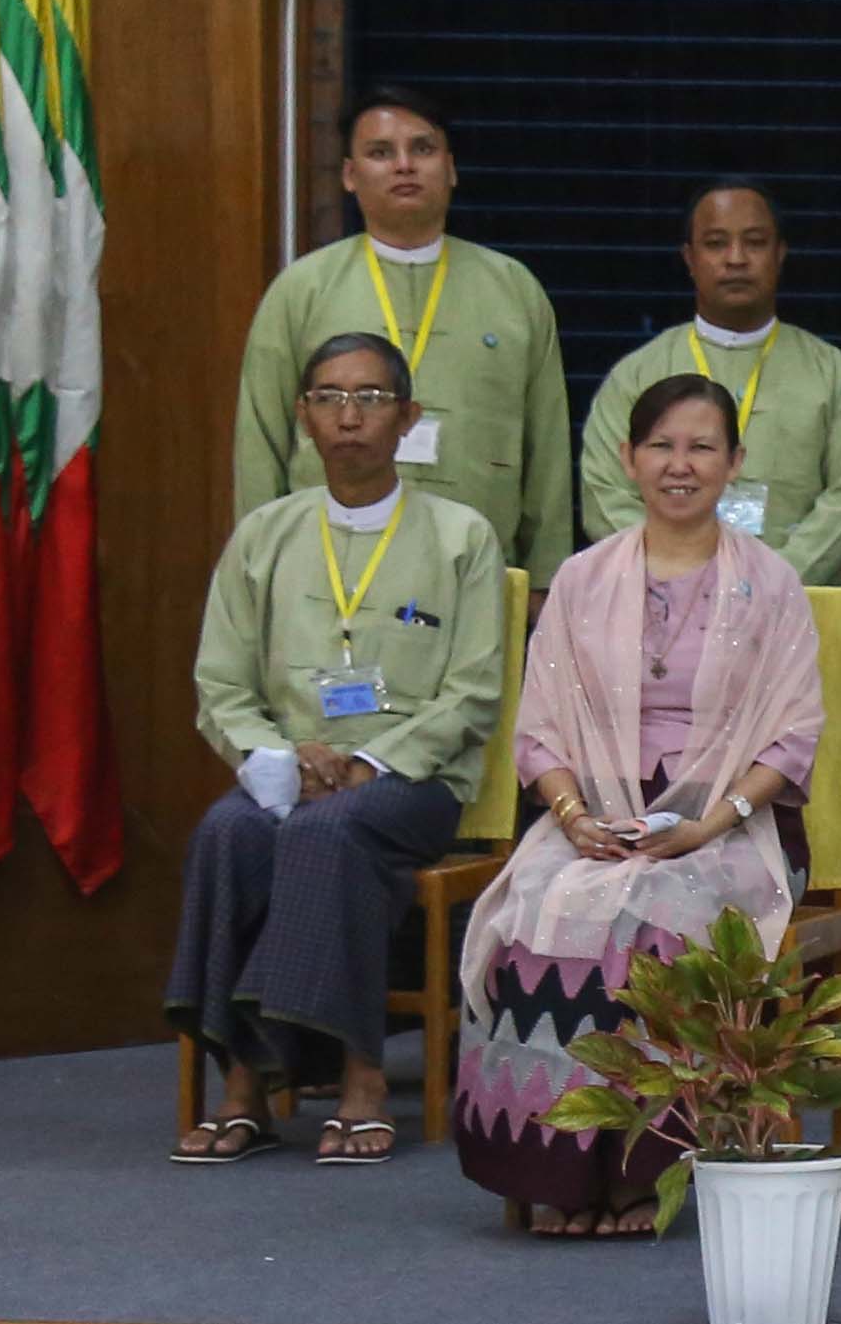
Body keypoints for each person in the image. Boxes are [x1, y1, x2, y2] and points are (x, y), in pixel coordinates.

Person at [454, 374, 827, 1238]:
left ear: (734, 461)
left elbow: (792, 737)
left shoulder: (771, 583)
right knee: (539, 909)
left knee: (654, 916)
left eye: (701, 446)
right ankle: (553, 1169)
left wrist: (709, 822)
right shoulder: (582, 579)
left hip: (731, 822)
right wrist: (574, 818)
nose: (679, 464)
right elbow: (540, 731)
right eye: (661, 445)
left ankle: (637, 1175)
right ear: (627, 458)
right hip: (596, 812)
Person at [166, 331, 516, 1167]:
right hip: (289, 770)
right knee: (227, 831)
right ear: (303, 416)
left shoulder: (461, 535)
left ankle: (360, 1075)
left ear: (408, 417)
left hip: (414, 779)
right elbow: (221, 684)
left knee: (330, 832)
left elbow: (473, 690)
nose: (348, 416)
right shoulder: (264, 535)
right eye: (329, 397)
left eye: (369, 398)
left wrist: (366, 764)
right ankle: (244, 1086)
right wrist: (281, 757)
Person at [231, 88, 572, 571]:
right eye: (381, 152)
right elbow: (260, 440)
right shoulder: (303, 289)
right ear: (350, 175)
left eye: (423, 149)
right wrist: (260, 565)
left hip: (477, 565)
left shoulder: (513, 290)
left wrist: (545, 575)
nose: (404, 166)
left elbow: (548, 447)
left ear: (450, 168)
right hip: (325, 564)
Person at [581, 180, 841, 585]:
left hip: (798, 601)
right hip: (660, 602)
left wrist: (770, 582)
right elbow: (604, 494)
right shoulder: (637, 374)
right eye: (716, 243)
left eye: (755, 242)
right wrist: (683, 577)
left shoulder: (835, 376)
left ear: (780, 254)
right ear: (689, 258)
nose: (736, 259)